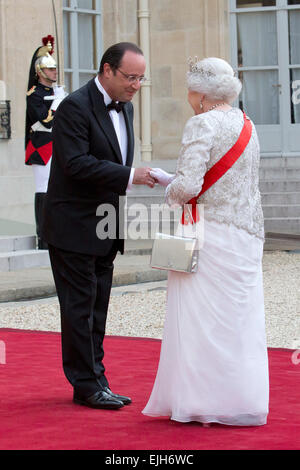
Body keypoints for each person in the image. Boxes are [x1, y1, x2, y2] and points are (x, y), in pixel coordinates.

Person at [143, 57, 269, 426]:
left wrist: (168, 184)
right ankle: (241, 400)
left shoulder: (201, 123)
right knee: (239, 321)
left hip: (207, 234)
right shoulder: (248, 124)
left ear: (199, 93)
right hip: (244, 235)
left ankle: (200, 401)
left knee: (201, 321)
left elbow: (188, 186)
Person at [42, 42, 156, 409]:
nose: (136, 84)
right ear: (107, 70)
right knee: (79, 308)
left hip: (107, 225)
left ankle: (96, 379)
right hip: (73, 225)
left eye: (141, 78)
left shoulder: (128, 108)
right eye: (130, 77)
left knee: (98, 306)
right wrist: (131, 175)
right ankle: (87, 384)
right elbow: (75, 164)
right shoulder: (73, 107)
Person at [25, 35, 66, 249]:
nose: (54, 72)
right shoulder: (34, 94)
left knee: (55, 189)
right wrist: (57, 104)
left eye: (55, 69)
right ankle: (43, 236)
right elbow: (44, 120)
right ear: (40, 71)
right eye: (50, 69)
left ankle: (54, 232)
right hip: (41, 146)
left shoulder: (54, 92)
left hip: (56, 145)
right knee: (43, 188)